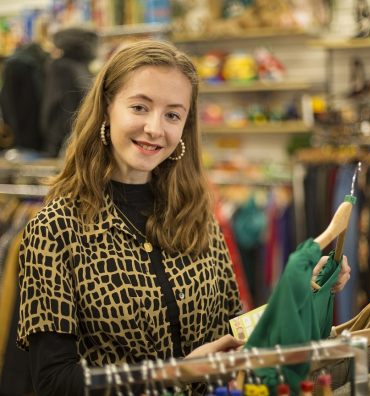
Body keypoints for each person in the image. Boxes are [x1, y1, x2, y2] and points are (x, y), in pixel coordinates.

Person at [16, 39, 351, 396]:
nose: (155, 129)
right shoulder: (55, 228)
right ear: (106, 109)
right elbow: (52, 382)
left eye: (172, 114)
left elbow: (231, 332)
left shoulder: (198, 216)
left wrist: (298, 290)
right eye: (140, 107)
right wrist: (178, 372)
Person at [40, 27, 98, 157]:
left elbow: (53, 104)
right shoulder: (76, 67)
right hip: (72, 136)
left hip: (67, 137)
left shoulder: (63, 66)